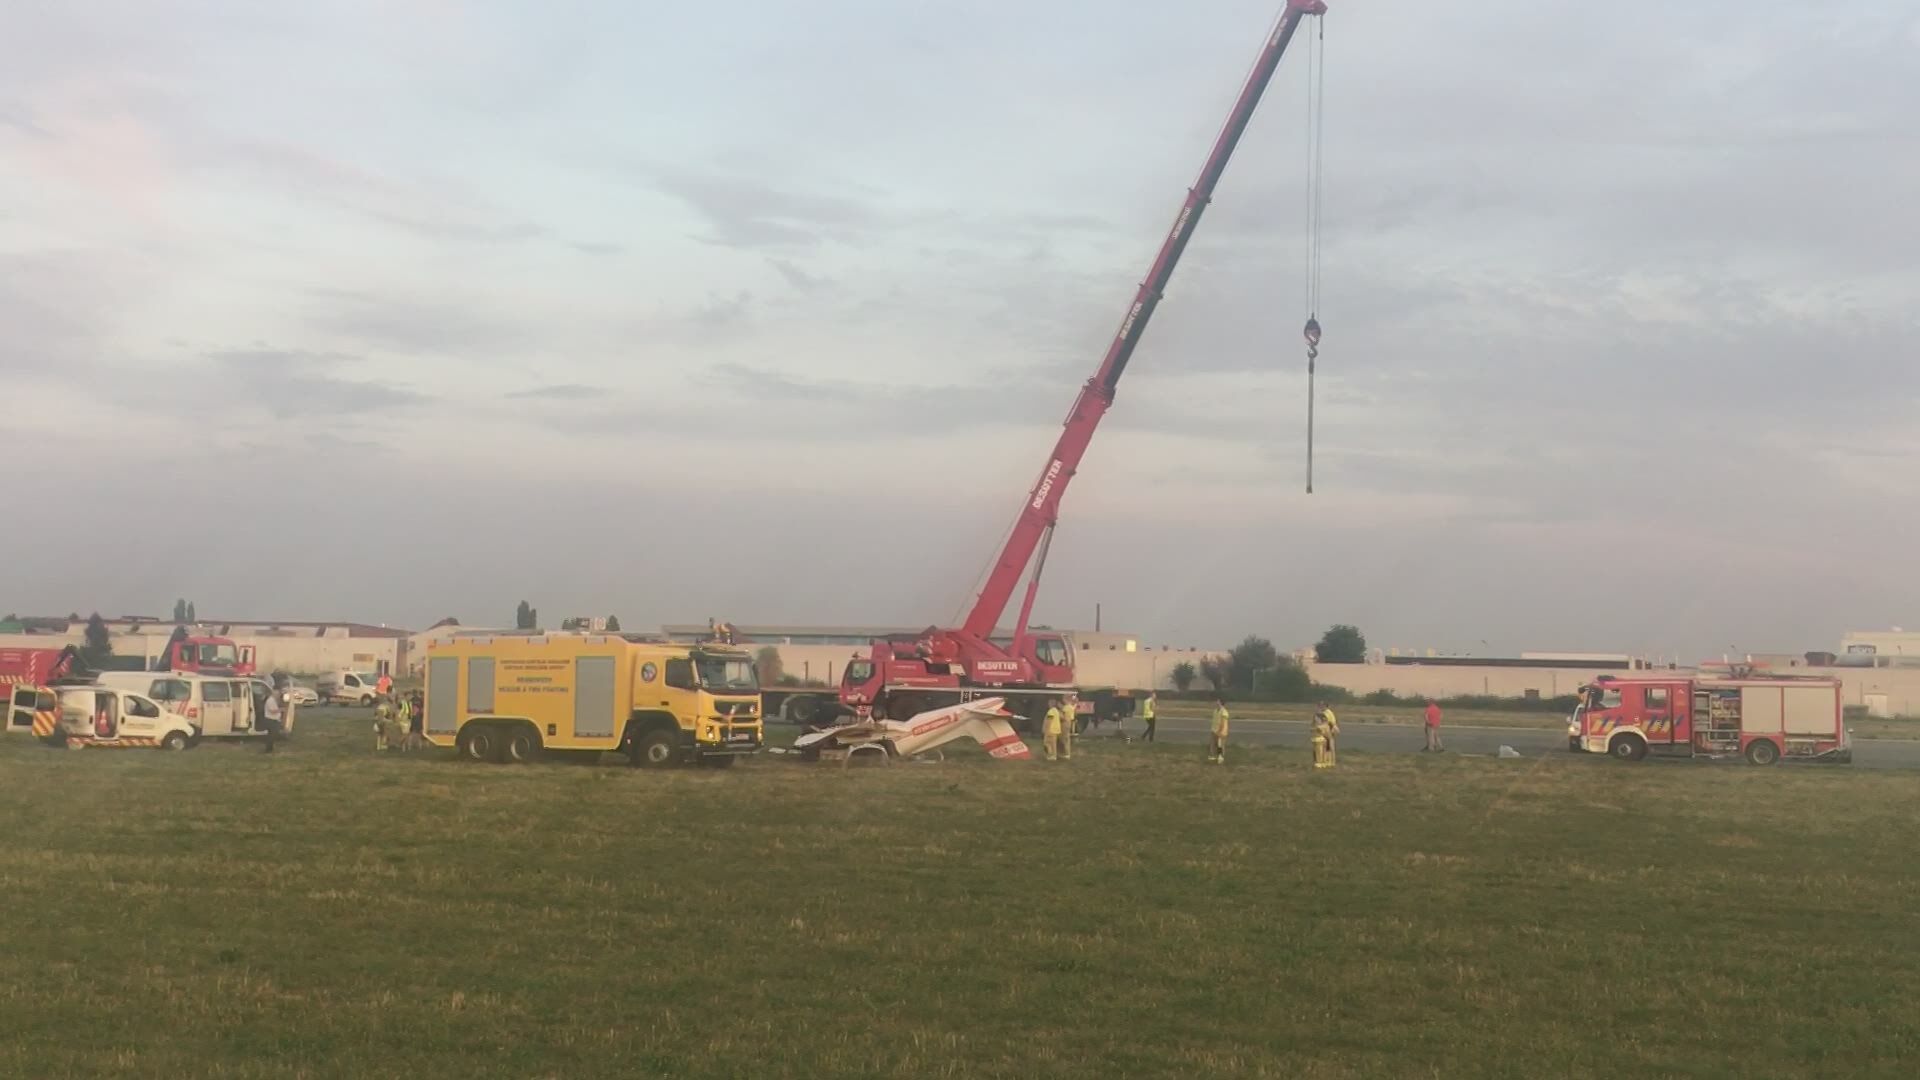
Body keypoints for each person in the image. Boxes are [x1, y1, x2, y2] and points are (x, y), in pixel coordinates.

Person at [1312, 702, 1340, 770]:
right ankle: (1327, 761)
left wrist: (1333, 728)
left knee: (1328, 747)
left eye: (1322, 705)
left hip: (1327, 731)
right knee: (1327, 747)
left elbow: (1331, 722)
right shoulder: (1325, 712)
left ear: (1326, 706)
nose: (1321, 707)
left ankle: (1328, 762)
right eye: (1319, 705)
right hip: (1325, 731)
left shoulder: (1327, 712)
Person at [260, 684, 282, 754]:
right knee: (271, 736)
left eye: (279, 693)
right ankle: (268, 749)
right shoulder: (270, 700)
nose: (278, 695)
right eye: (277, 693)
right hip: (271, 720)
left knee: (272, 735)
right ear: (273, 692)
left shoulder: (274, 700)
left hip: (274, 720)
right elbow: (272, 711)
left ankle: (270, 748)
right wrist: (281, 710)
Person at [1208, 696, 1229, 764]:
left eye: (1218, 701)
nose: (1216, 702)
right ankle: (1213, 757)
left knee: (1220, 745)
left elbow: (1223, 723)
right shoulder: (1215, 710)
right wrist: (1213, 729)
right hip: (1214, 730)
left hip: (1221, 732)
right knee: (1213, 744)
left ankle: (1221, 758)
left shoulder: (1224, 711)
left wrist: (1219, 731)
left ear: (1221, 702)